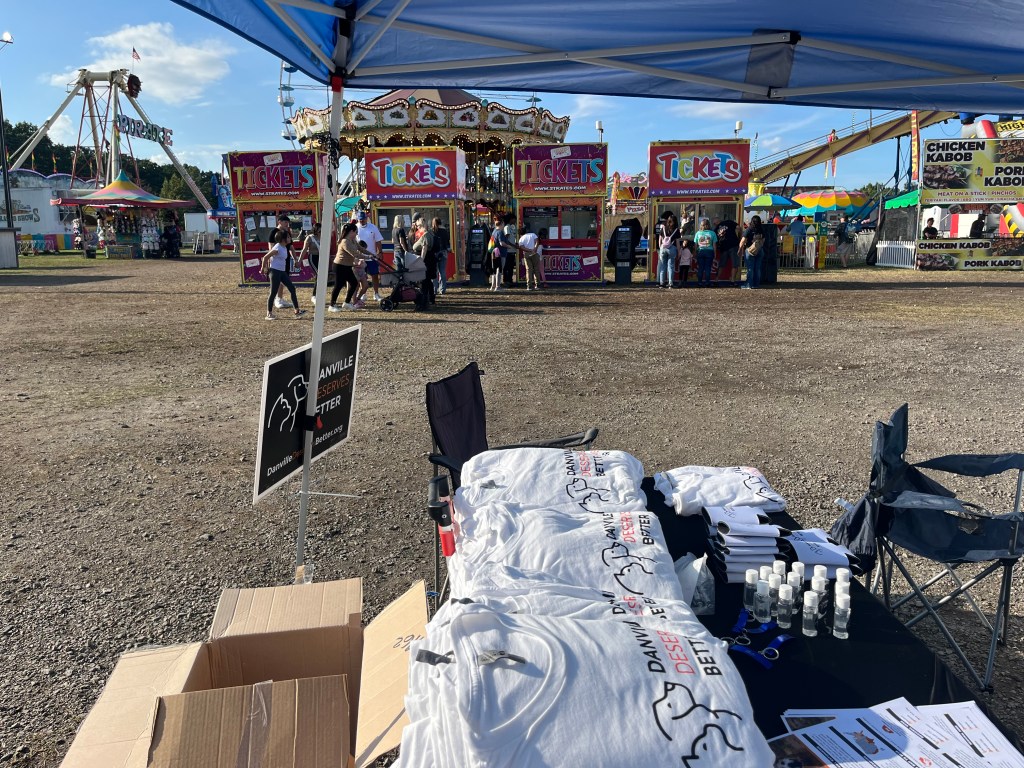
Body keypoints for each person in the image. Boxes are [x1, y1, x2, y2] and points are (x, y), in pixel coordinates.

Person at [260, 229, 306, 320]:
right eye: (288, 237)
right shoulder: (277, 248)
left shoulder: (285, 247)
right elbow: (265, 257)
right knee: (273, 292)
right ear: (282, 239)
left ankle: (297, 310)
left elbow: (291, 251)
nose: (290, 238)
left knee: (292, 288)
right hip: (275, 272)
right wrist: (263, 268)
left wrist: (296, 260)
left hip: (282, 272)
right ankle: (269, 314)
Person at [329, 222, 371, 311]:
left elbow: (361, 248)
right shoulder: (345, 241)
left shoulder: (353, 240)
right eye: (356, 232)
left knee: (354, 283)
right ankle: (332, 305)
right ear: (351, 231)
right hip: (339, 266)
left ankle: (347, 303)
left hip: (347, 266)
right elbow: (354, 254)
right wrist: (367, 257)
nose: (357, 234)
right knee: (338, 285)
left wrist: (372, 254)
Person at [355, 209, 384, 301]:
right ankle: (363, 293)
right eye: (360, 219)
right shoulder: (355, 228)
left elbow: (378, 240)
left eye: (363, 219)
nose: (361, 221)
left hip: (372, 256)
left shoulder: (373, 227)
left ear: (366, 218)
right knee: (361, 276)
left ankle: (376, 293)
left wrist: (380, 252)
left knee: (375, 275)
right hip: (360, 257)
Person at [271, 214, 295, 309]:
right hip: (277, 260)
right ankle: (276, 299)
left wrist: (295, 259)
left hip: (286, 259)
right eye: (285, 222)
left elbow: (291, 247)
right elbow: (271, 246)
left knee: (284, 280)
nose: (287, 224)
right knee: (277, 281)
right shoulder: (274, 232)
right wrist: (271, 258)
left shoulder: (286, 232)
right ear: (279, 222)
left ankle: (280, 298)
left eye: (288, 222)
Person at [414, 219, 438, 308]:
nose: (417, 228)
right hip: (429, 259)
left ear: (422, 226)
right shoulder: (429, 234)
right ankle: (430, 298)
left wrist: (421, 260)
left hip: (427, 260)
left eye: (418, 226)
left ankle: (424, 301)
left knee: (424, 281)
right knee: (428, 281)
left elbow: (424, 248)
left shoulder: (426, 235)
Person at [737, 215, 765, 289]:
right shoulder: (761, 229)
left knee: (750, 268)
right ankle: (756, 284)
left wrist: (740, 249)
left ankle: (749, 284)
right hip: (759, 250)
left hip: (750, 250)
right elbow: (763, 240)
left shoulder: (749, 229)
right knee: (757, 268)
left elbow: (743, 241)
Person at [656, 213, 680, 288]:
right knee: (671, 267)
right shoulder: (676, 230)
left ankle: (661, 283)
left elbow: (659, 239)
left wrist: (661, 247)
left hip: (663, 248)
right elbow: (678, 242)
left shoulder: (663, 228)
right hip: (672, 248)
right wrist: (679, 252)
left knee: (662, 266)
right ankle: (670, 283)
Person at [489, 214, 511, 292]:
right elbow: (502, 243)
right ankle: (498, 287)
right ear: (502, 223)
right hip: (501, 253)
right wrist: (508, 246)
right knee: (499, 269)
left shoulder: (494, 231)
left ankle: (493, 286)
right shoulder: (500, 232)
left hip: (494, 252)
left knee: (494, 269)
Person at [518, 223, 544, 291]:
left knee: (528, 270)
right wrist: (534, 249)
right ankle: (537, 285)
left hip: (527, 254)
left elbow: (521, 247)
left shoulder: (521, 239)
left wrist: (529, 250)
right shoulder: (533, 234)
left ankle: (529, 286)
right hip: (535, 253)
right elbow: (537, 242)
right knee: (536, 269)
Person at [693, 218, 718, 288]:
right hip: (709, 252)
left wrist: (695, 252)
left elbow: (695, 245)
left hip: (700, 251)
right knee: (708, 268)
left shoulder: (698, 233)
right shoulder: (712, 233)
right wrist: (715, 253)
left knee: (700, 268)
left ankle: (699, 282)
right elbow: (714, 245)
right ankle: (707, 282)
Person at [715, 217, 740, 283]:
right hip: (733, 245)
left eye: (714, 223)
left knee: (721, 265)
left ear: (717, 222)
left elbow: (715, 240)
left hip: (724, 247)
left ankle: (716, 280)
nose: (714, 224)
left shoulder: (716, 229)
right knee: (735, 264)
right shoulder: (729, 221)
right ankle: (732, 280)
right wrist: (738, 238)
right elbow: (738, 228)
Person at [432, 218, 451, 296]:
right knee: (442, 271)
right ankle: (442, 289)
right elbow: (447, 241)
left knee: (435, 272)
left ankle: (434, 289)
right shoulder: (444, 231)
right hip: (443, 252)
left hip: (434, 253)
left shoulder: (431, 231)